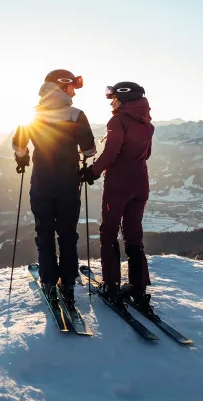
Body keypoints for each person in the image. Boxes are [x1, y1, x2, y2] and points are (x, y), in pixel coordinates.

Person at [13, 69, 96, 308]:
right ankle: (68, 281)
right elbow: (89, 149)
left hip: (41, 182)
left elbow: (19, 145)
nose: (74, 93)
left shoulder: (33, 115)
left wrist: (22, 157)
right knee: (68, 233)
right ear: (62, 86)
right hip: (68, 183)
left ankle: (49, 281)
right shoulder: (76, 114)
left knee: (45, 232)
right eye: (72, 88)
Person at [79, 82, 155, 312]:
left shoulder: (118, 121)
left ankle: (111, 286)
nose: (112, 103)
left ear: (124, 98)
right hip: (140, 183)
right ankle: (138, 288)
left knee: (109, 232)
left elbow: (110, 154)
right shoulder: (147, 123)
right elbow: (147, 154)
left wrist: (90, 172)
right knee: (134, 235)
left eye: (114, 99)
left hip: (118, 185)